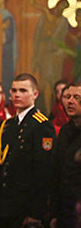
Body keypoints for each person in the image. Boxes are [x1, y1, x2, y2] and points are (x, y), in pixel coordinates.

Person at [0, 73, 56, 228]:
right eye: (14, 90)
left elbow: (43, 173)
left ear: (35, 94)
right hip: (3, 204)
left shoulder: (42, 125)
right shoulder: (7, 125)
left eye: (23, 91)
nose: (17, 95)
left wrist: (35, 213)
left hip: (25, 206)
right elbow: (0, 166)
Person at [50, 82, 81, 228]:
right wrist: (54, 213)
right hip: (64, 210)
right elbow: (57, 173)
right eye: (67, 96)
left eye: (76, 97)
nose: (70, 101)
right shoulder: (64, 131)